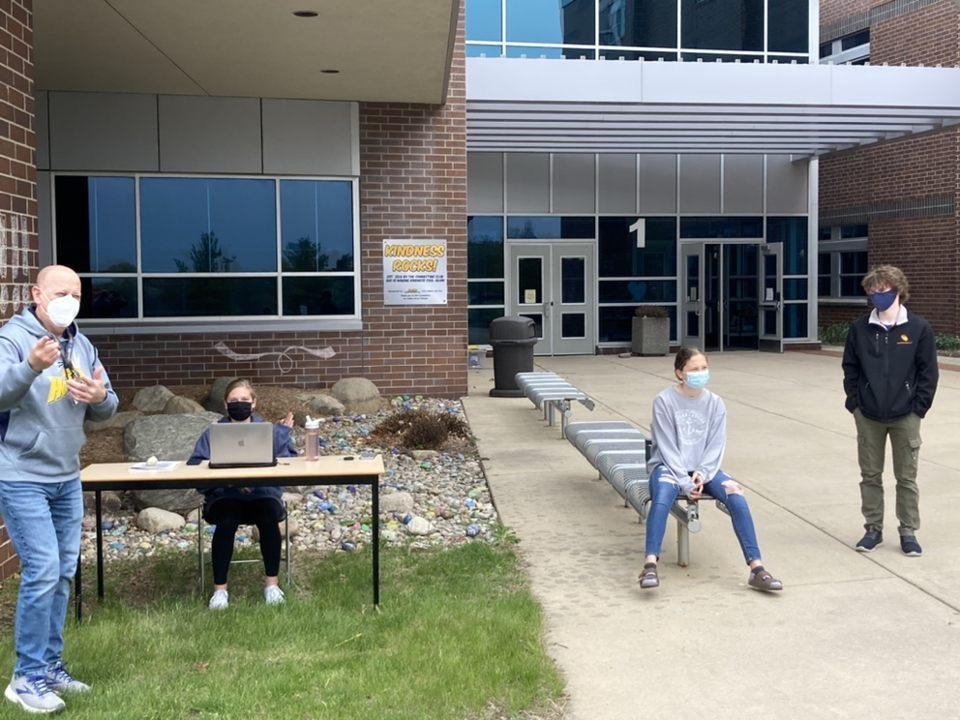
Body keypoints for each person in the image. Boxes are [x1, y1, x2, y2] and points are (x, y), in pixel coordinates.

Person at [0, 265, 118, 714]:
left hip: (67, 474)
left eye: (77, 294)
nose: (70, 301)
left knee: (64, 570)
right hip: (21, 474)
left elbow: (108, 404)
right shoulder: (13, 340)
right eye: (60, 293)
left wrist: (99, 398)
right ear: (37, 294)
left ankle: (49, 666)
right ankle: (25, 677)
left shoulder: (81, 344)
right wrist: (31, 367)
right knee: (43, 569)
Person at [639, 347, 782, 593]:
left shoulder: (715, 403)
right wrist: (685, 481)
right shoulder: (664, 401)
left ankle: (757, 568)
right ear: (679, 373)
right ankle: (650, 564)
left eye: (704, 368)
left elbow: (716, 445)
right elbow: (666, 446)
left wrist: (703, 473)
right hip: (669, 467)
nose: (700, 373)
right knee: (662, 496)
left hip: (705, 468)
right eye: (694, 369)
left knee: (736, 495)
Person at [842, 265, 938, 556]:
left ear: (898, 290)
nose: (877, 296)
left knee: (906, 478)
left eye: (882, 290)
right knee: (870, 475)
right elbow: (850, 368)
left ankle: (908, 531)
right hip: (868, 414)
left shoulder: (918, 328)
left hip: (905, 415)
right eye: (872, 291)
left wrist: (919, 408)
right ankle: (873, 529)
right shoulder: (860, 329)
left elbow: (928, 373)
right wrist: (855, 403)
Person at [188, 379, 296, 610]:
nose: (240, 404)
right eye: (234, 400)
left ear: (254, 403)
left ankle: (272, 586)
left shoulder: (269, 432)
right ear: (225, 404)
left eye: (244, 400)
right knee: (226, 520)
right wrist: (231, 483)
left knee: (269, 517)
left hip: (262, 495)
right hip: (224, 496)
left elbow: (288, 465)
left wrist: (282, 434)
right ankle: (220, 591)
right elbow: (195, 468)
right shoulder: (212, 434)